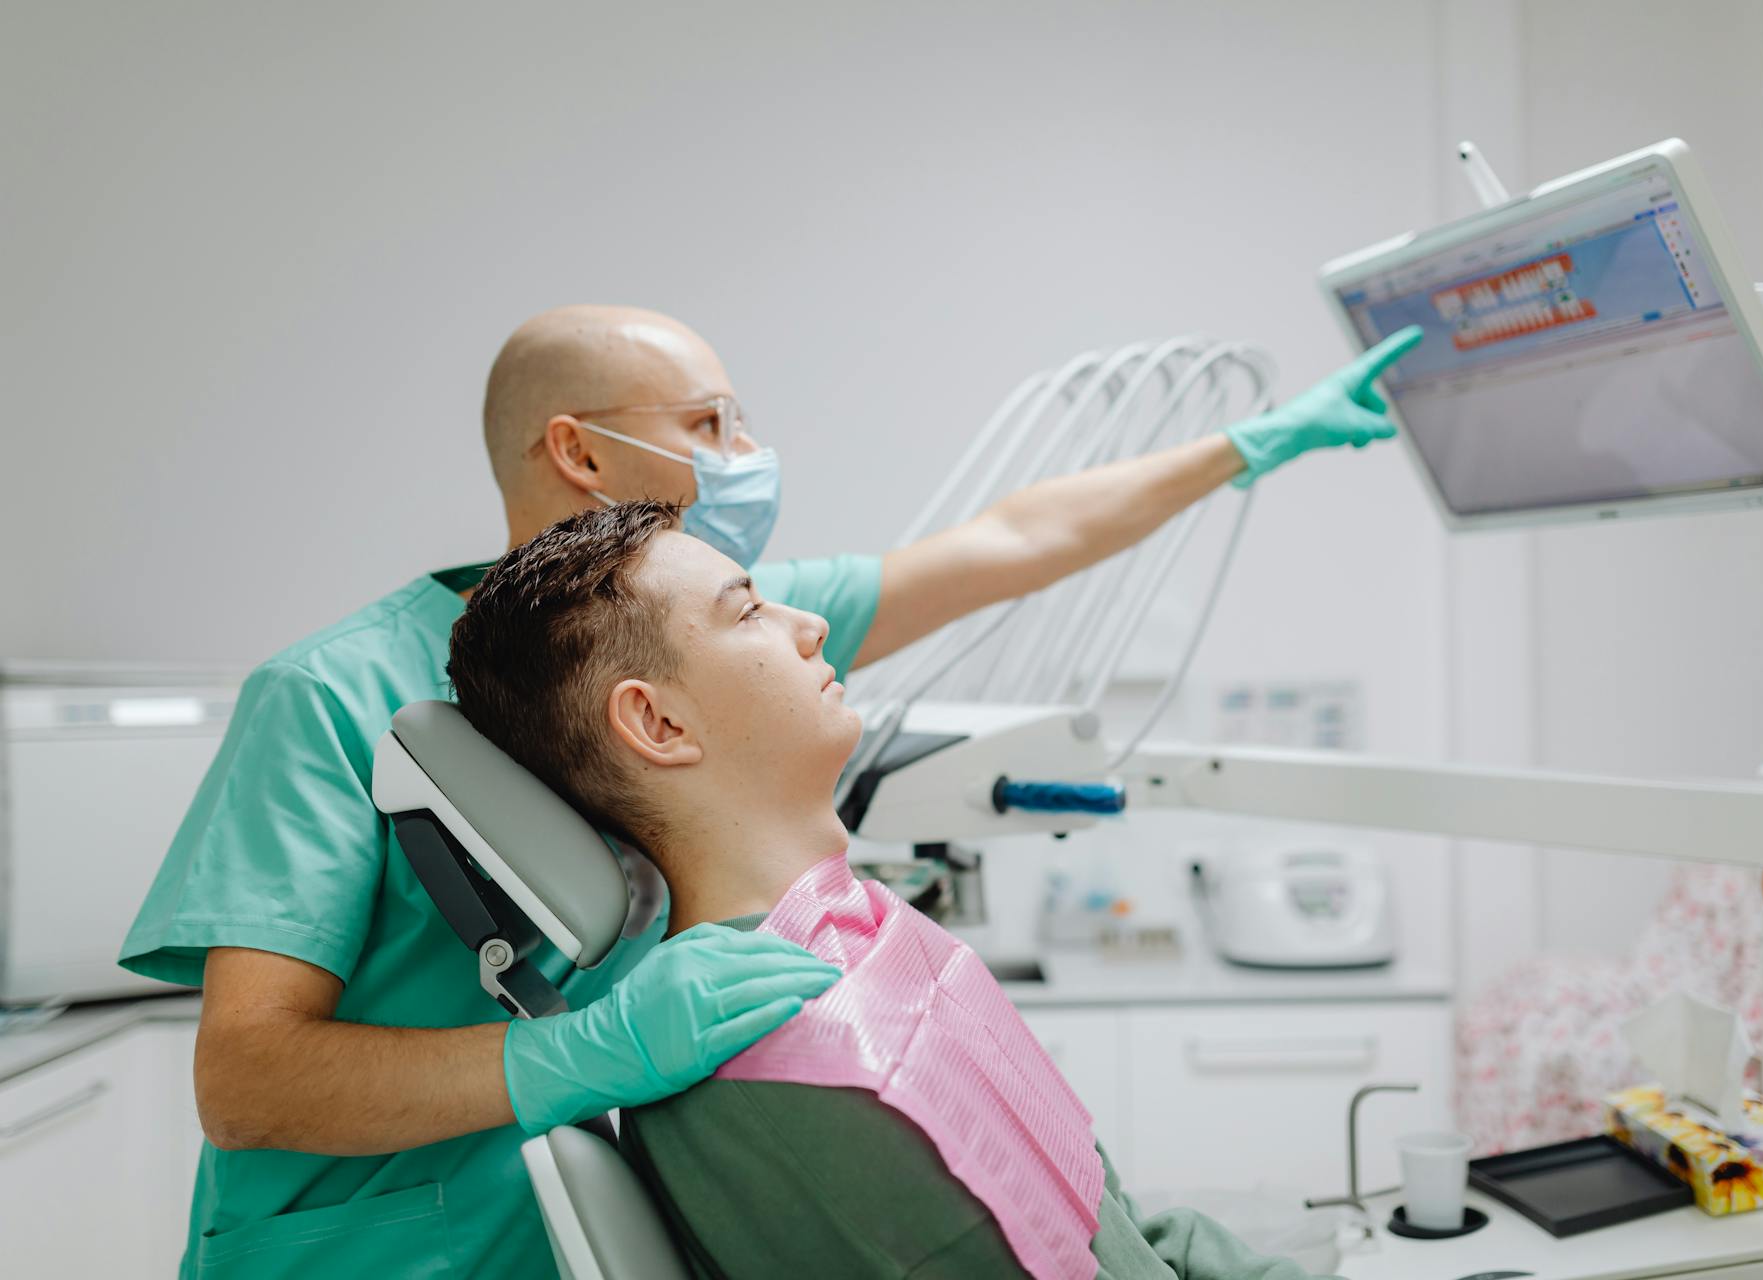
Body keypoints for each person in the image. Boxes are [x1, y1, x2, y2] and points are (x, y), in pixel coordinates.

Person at [121, 303, 1415, 1278]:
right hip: (381, 1249)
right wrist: (582, 1051)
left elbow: (1013, 543)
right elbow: (247, 1082)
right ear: (576, 450)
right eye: (708, 427)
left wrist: (1251, 447)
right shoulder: (336, 695)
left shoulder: (708, 627)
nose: (746, 459)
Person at [447, 500, 1332, 1279]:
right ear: (659, 722)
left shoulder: (859, 940)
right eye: (749, 609)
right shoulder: (790, 1060)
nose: (810, 627)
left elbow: (1114, 1227)